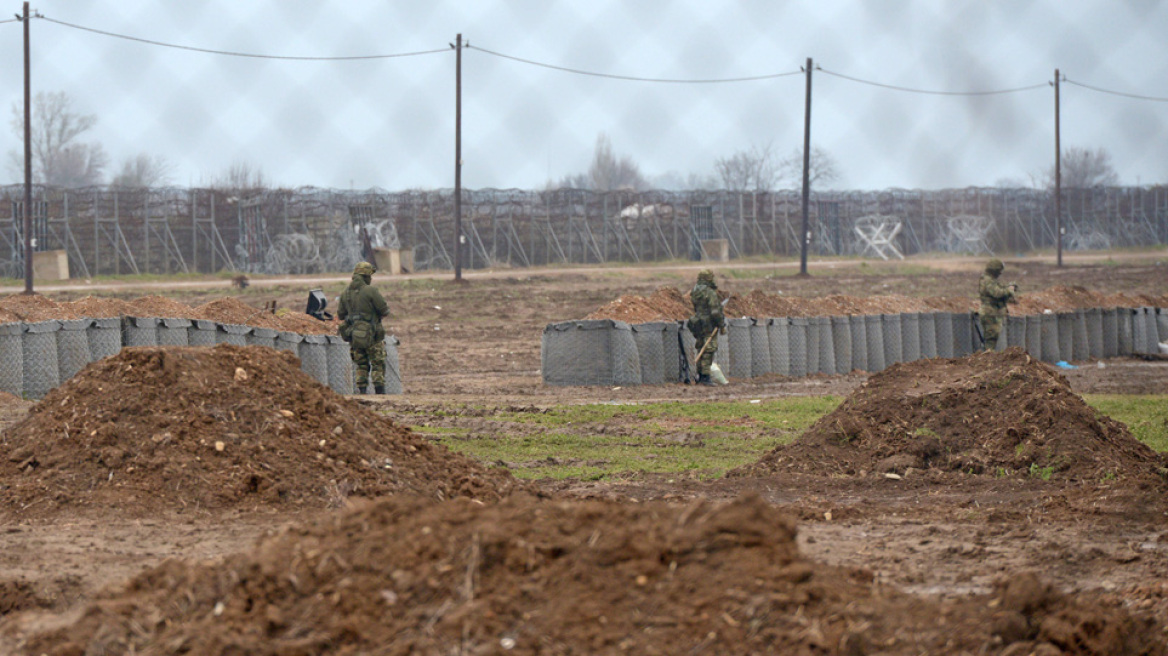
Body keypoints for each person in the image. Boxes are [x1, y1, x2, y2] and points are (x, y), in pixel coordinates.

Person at [338, 261, 390, 394]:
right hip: (372, 335)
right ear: (366, 276)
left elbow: (341, 314)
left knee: (361, 365)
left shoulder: (345, 293)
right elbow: (384, 310)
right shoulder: (371, 291)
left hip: (355, 335)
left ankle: (362, 393)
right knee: (377, 363)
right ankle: (380, 394)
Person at [688, 269, 725, 385]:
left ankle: (700, 375)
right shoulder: (710, 293)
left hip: (698, 323)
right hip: (709, 324)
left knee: (701, 348)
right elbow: (715, 312)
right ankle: (705, 376)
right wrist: (721, 324)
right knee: (709, 350)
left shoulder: (694, 291)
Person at [978, 258, 1017, 351]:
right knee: (991, 338)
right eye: (999, 271)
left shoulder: (990, 279)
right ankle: (988, 357)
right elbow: (997, 293)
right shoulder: (988, 280)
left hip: (993, 312)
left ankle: (989, 355)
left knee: (993, 337)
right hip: (990, 312)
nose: (1000, 273)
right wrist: (1009, 290)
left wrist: (1008, 289)